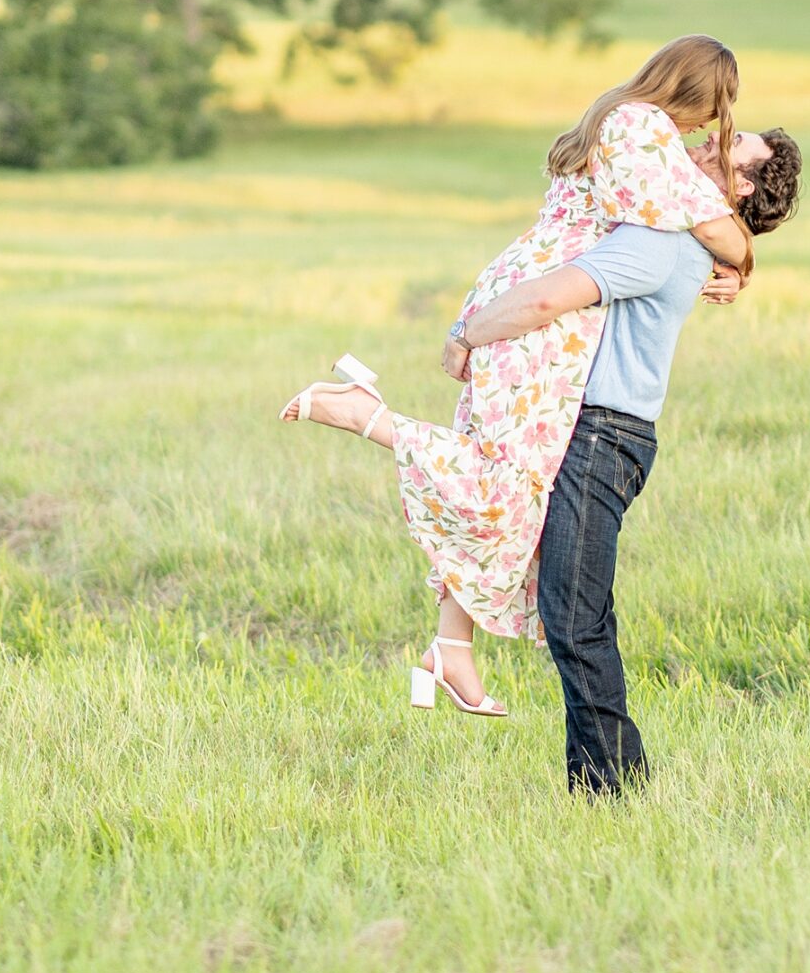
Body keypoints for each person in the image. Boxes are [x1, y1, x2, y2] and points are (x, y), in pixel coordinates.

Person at [280, 38, 755, 714]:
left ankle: (452, 650)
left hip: (523, 287)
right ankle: (363, 414)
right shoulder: (644, 128)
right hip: (543, 315)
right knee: (507, 478)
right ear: (690, 92)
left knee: (505, 474)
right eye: (708, 114)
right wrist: (742, 262)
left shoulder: (613, 114)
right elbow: (719, 228)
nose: (705, 132)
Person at [445, 124, 802, 791]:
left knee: (572, 614)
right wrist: (737, 262)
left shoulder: (661, 240)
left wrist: (465, 335)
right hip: (598, 430)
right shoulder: (677, 228)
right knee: (573, 606)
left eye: (732, 143)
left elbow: (551, 297)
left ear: (742, 184)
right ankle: (606, 776)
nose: (708, 137)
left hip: (601, 435)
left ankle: (610, 786)